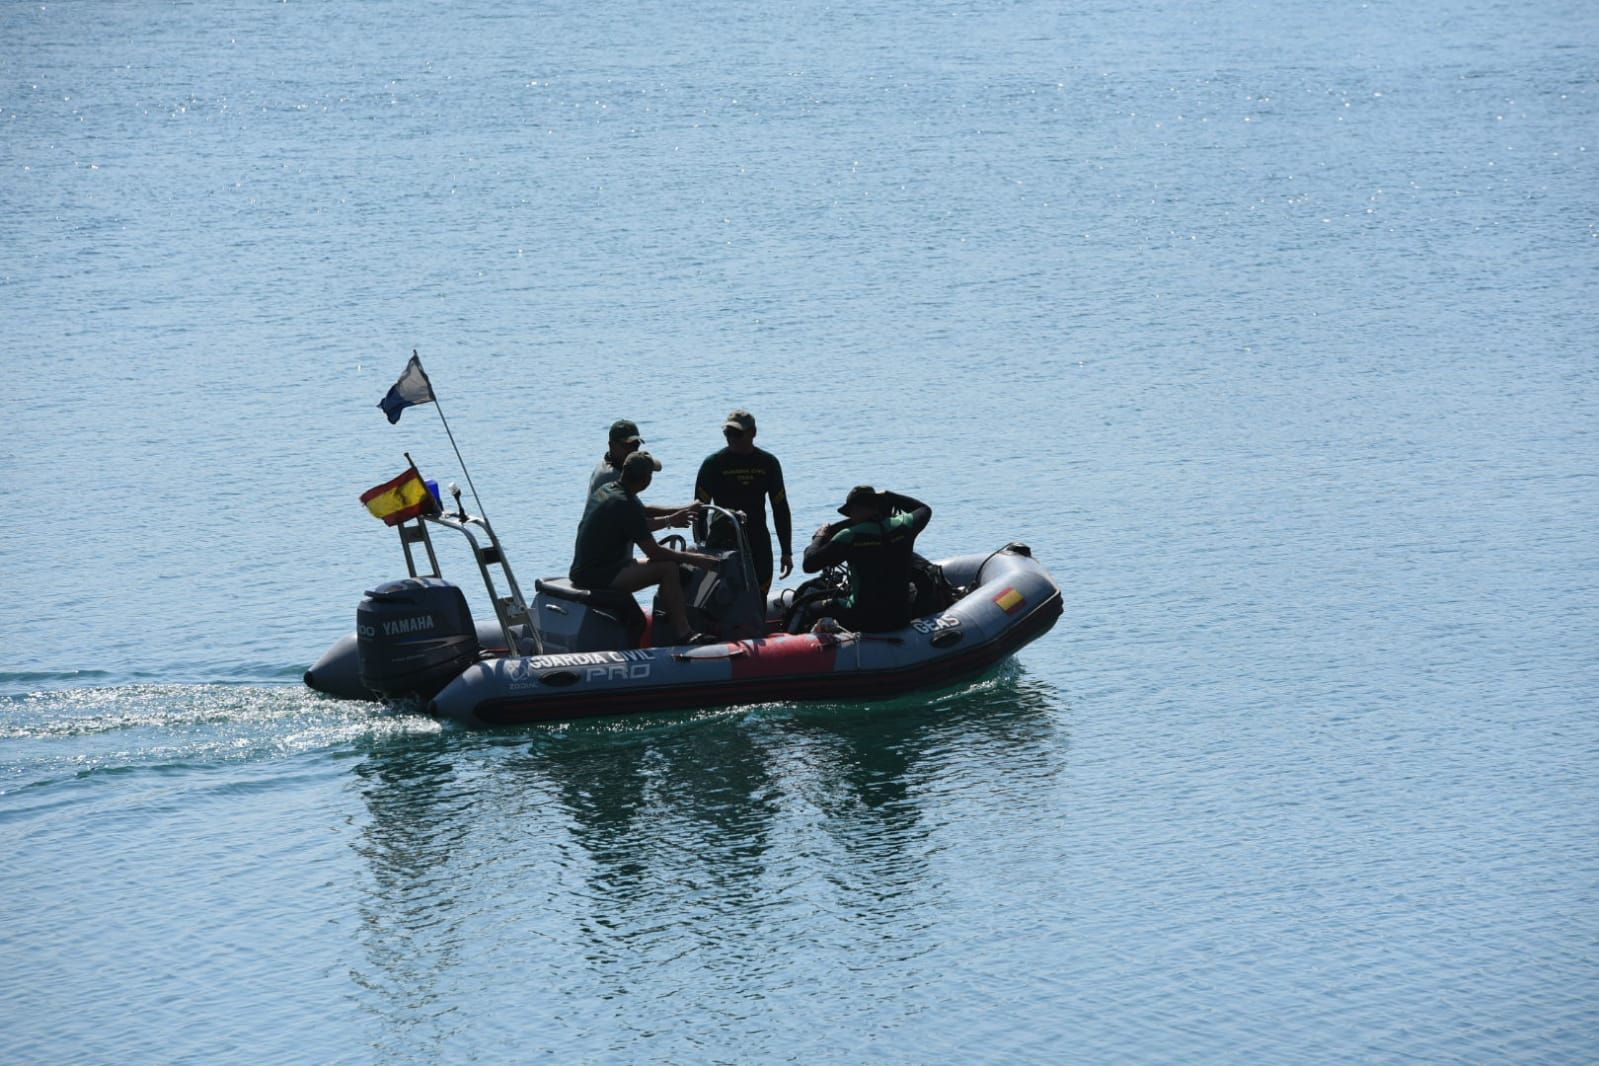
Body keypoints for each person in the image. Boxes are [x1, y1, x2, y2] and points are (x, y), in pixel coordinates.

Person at [570, 451, 722, 645]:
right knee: (667, 568)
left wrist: (682, 511)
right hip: (598, 576)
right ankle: (684, 633)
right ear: (646, 480)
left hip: (589, 570)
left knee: (671, 564)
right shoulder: (624, 503)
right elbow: (654, 552)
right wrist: (696, 559)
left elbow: (643, 512)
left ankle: (673, 621)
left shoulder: (609, 489)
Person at [794, 486, 933, 633]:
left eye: (851, 513)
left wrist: (819, 537)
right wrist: (890, 495)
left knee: (812, 608)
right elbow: (924, 509)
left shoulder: (848, 536)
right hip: (900, 618)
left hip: (862, 619)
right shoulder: (905, 525)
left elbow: (809, 564)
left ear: (855, 509)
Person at [694, 409, 793, 595]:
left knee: (758, 596)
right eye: (727, 433)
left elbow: (780, 508)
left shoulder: (768, 463)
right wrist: (702, 548)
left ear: (753, 433)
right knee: (723, 598)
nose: (732, 438)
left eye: (737, 433)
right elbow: (699, 509)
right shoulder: (713, 464)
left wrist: (786, 551)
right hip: (722, 540)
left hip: (757, 540)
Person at [587, 418, 700, 526]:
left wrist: (686, 510)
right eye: (626, 446)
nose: (632, 450)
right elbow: (636, 524)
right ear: (611, 445)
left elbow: (640, 510)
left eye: (635, 445)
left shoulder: (614, 465)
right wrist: (670, 520)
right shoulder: (610, 477)